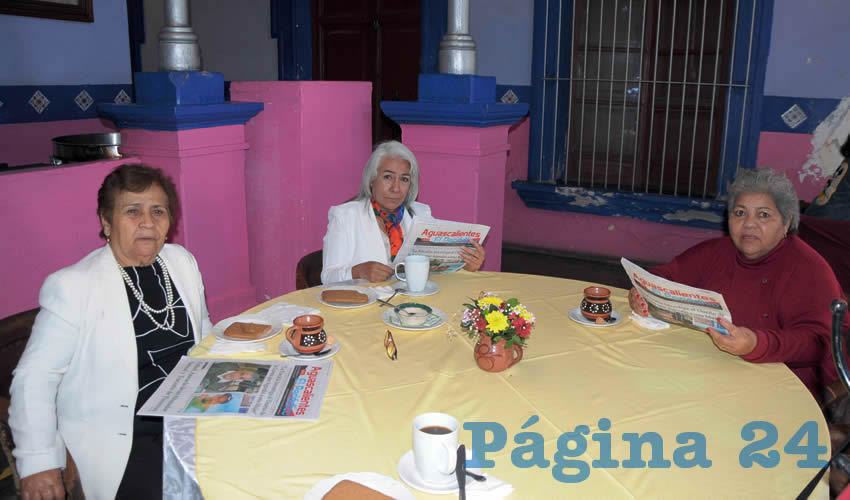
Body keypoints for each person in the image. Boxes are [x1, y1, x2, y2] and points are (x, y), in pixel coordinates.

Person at [9, 164, 214, 499]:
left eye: (158, 211)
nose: (147, 222)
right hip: (127, 436)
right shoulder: (74, 286)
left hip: (193, 415)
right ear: (106, 223)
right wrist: (38, 462)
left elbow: (203, 333)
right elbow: (34, 377)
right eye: (132, 211)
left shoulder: (182, 263)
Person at [629, 167, 844, 401]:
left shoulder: (808, 268)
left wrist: (756, 343)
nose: (749, 224)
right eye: (740, 213)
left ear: (786, 222)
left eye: (763, 215)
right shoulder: (719, 251)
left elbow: (819, 344)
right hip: (712, 372)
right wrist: (643, 292)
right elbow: (666, 274)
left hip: (784, 387)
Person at [321, 141, 486, 284]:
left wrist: (467, 265)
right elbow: (327, 277)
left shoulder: (421, 213)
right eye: (387, 177)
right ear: (372, 179)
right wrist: (357, 272)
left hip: (413, 305)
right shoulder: (345, 216)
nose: (395, 188)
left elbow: (438, 270)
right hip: (364, 308)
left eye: (404, 179)